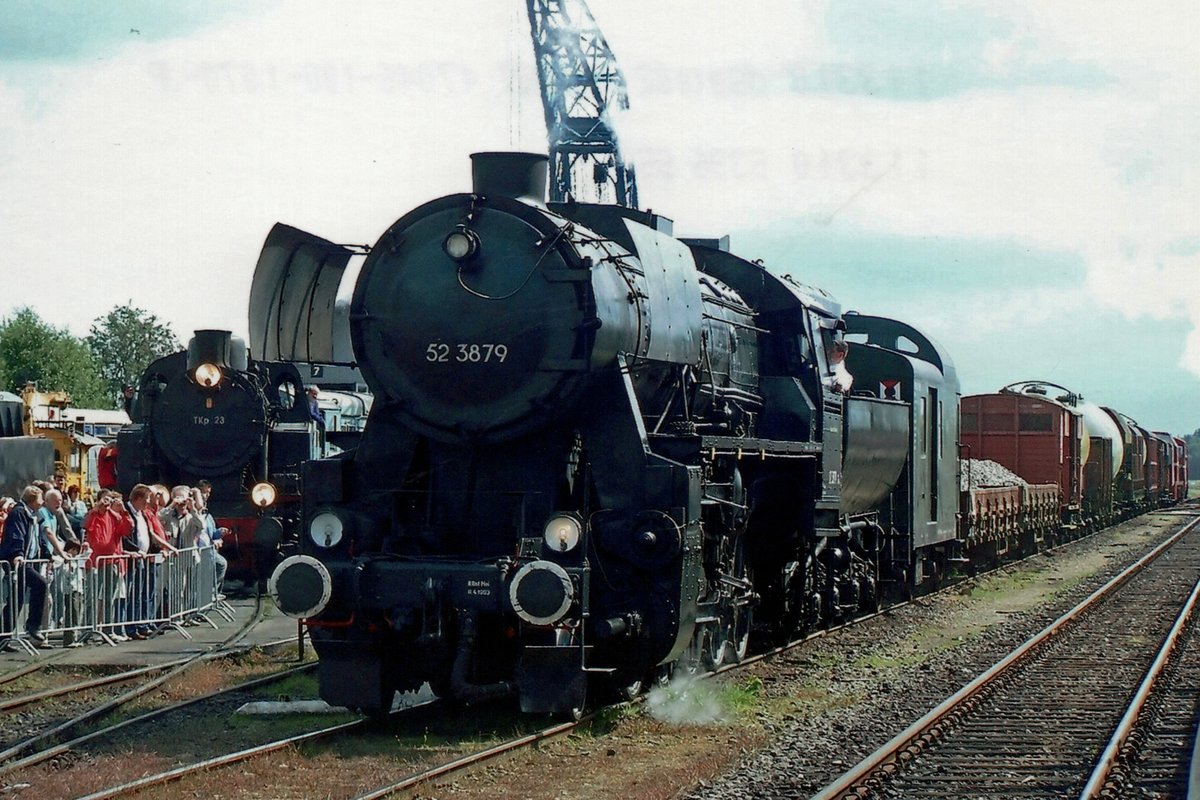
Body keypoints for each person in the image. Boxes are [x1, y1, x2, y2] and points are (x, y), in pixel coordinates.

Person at [0, 486, 51, 650]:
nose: (42, 502)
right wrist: (18, 553)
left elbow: (38, 538)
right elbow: (17, 534)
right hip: (17, 561)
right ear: (33, 499)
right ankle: (32, 626)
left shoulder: (33, 514)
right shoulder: (19, 513)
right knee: (38, 585)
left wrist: (48, 554)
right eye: (41, 498)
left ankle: (3, 638)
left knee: (17, 600)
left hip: (27, 561)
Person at [84, 490, 134, 642]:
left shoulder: (114, 516)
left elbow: (127, 529)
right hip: (95, 562)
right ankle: (89, 630)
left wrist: (123, 511)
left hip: (111, 562)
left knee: (109, 598)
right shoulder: (94, 515)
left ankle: (108, 629)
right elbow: (86, 525)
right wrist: (96, 509)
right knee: (92, 597)